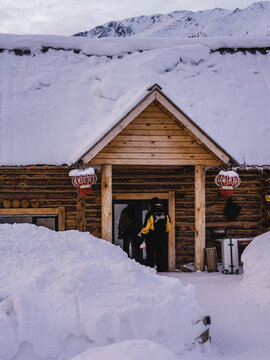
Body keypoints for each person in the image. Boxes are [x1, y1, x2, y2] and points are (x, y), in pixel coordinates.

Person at [139, 197, 170, 272]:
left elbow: (146, 227)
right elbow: (168, 226)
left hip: (151, 237)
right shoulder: (165, 214)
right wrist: (165, 233)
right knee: (159, 253)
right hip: (161, 237)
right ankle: (161, 268)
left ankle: (150, 269)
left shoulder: (150, 214)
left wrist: (143, 234)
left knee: (150, 254)